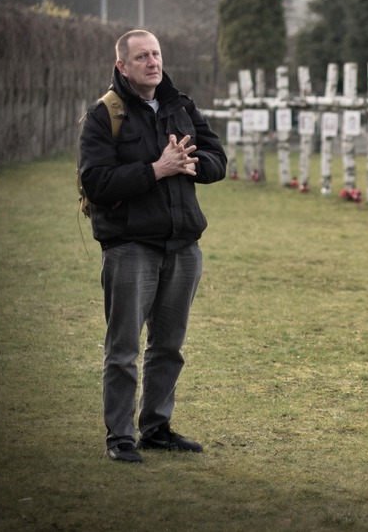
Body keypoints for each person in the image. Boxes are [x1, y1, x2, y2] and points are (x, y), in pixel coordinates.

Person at [78, 30, 227, 463]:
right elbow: (97, 182)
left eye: (156, 54)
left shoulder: (181, 105)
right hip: (130, 247)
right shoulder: (104, 115)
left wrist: (188, 164)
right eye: (141, 56)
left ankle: (157, 427)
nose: (152, 62)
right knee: (123, 349)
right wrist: (156, 170)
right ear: (122, 66)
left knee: (169, 346)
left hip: (182, 246)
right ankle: (120, 436)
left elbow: (217, 159)